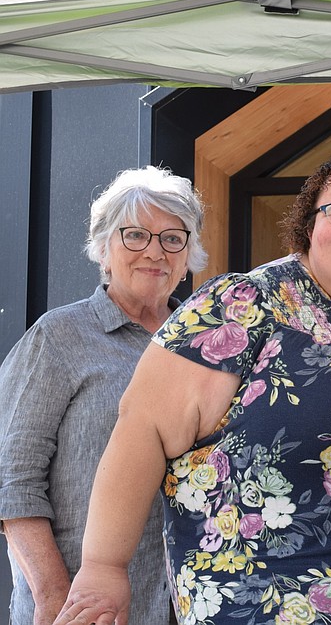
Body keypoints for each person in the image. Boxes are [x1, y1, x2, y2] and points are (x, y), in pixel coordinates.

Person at [51, 149, 331, 625]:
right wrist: (104, 568)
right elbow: (142, 427)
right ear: (310, 228)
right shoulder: (244, 304)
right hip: (255, 608)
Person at [0, 165, 205, 625]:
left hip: (193, 605)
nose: (155, 251)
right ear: (103, 249)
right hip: (86, 609)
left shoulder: (204, 346)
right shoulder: (58, 337)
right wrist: (54, 597)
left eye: (173, 238)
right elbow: (11, 483)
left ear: (189, 254)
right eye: (135, 235)